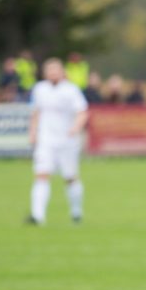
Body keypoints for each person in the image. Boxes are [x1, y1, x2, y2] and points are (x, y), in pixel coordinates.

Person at [26, 58, 88, 225]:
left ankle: (76, 213)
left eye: (56, 69)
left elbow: (82, 111)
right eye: (49, 70)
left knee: (70, 177)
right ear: (45, 73)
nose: (53, 73)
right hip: (46, 140)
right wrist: (32, 132)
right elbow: (36, 112)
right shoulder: (39, 89)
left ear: (61, 72)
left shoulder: (71, 90)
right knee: (41, 175)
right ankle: (37, 216)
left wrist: (75, 127)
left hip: (67, 141)